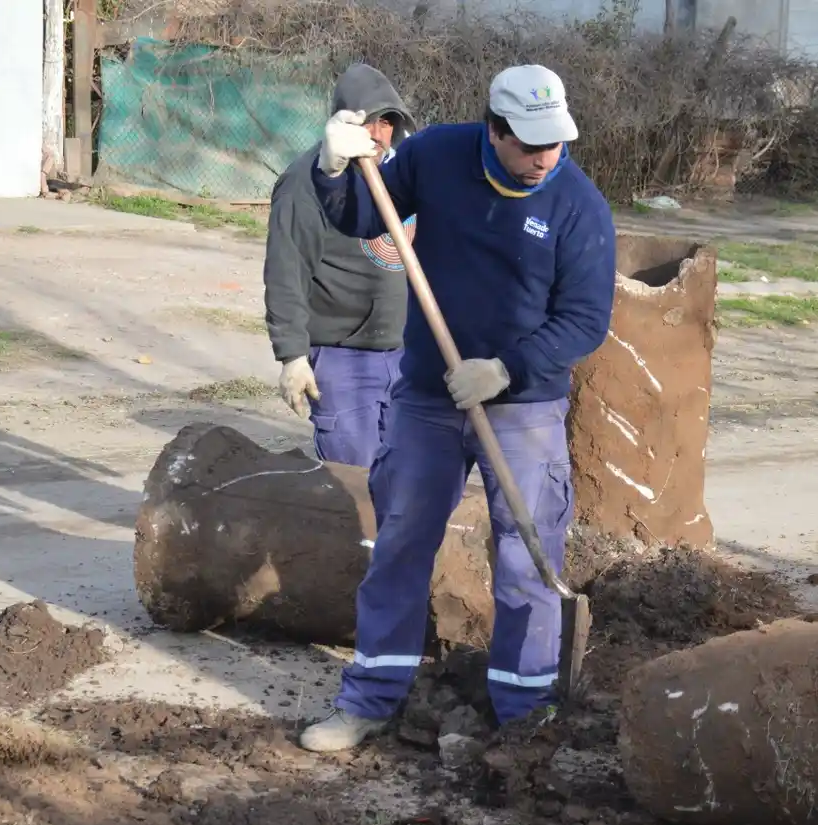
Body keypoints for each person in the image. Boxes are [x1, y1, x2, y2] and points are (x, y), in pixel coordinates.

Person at [298, 65, 617, 752]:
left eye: (555, 142)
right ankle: (370, 699)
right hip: (427, 393)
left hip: (524, 405)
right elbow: (361, 215)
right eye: (530, 143)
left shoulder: (578, 206)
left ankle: (523, 720)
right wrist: (333, 168)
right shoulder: (436, 155)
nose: (545, 157)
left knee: (527, 559)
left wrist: (507, 367)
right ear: (493, 130)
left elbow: (587, 319)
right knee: (402, 538)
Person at [264, 63, 419, 468]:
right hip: (344, 358)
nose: (378, 134)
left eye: (388, 122)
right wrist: (293, 355)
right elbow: (287, 269)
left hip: (406, 354)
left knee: (404, 486)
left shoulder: (402, 175)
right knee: (356, 486)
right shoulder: (305, 182)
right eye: (368, 121)